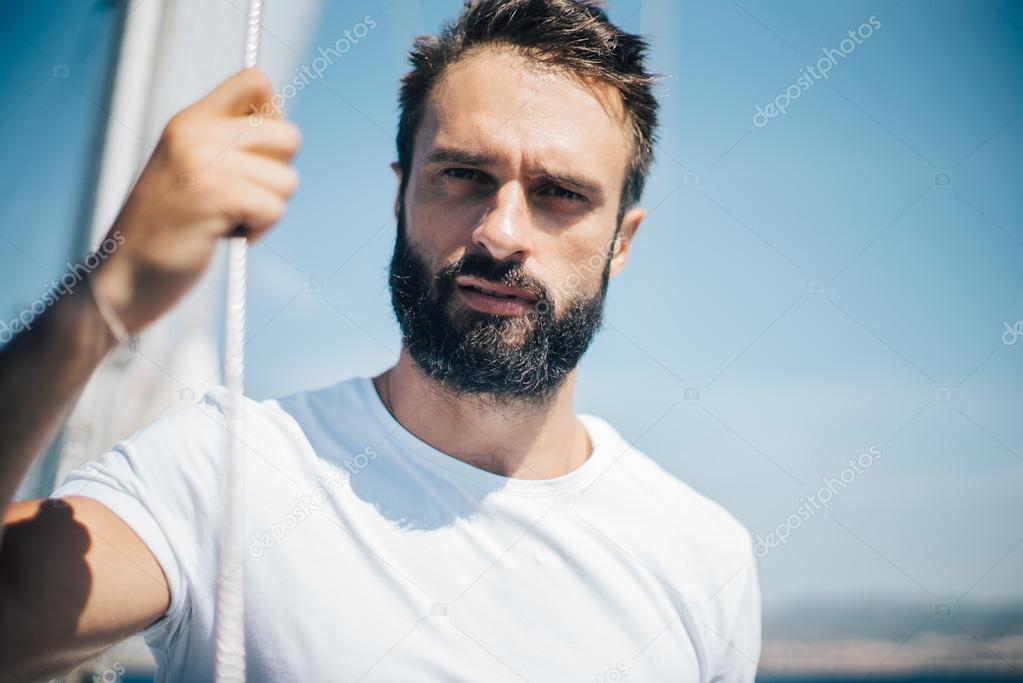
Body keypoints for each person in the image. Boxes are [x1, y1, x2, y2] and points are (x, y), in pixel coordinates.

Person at [0, 0, 760, 680]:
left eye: (559, 194)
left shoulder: (702, 556)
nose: (499, 232)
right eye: (462, 174)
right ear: (399, 193)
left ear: (620, 242)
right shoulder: (223, 475)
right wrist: (97, 305)